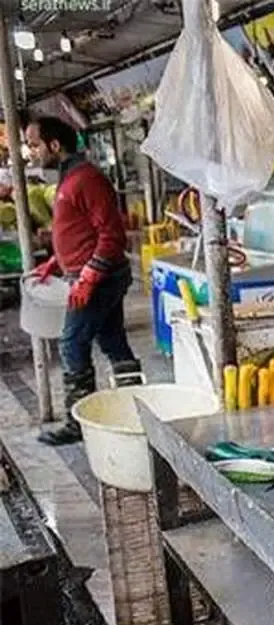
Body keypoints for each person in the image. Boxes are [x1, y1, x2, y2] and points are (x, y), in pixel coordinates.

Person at [26, 116, 141, 446]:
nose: (31, 152)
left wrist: (88, 277)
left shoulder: (86, 178)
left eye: (34, 144)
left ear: (54, 145)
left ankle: (77, 423)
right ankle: (137, 408)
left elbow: (111, 235)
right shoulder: (68, 178)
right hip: (88, 275)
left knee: (71, 343)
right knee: (112, 341)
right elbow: (80, 232)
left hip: (101, 278)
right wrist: (55, 263)